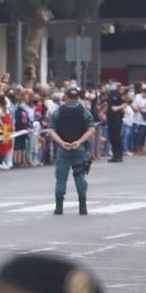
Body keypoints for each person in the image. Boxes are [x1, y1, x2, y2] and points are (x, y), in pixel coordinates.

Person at [48, 87, 95, 216]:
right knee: (79, 176)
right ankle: (82, 207)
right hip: (78, 149)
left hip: (63, 149)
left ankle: (59, 207)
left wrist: (62, 142)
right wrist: (79, 142)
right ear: (77, 98)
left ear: (66, 97)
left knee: (61, 178)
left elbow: (51, 129)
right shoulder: (84, 112)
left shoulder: (58, 112)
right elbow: (91, 129)